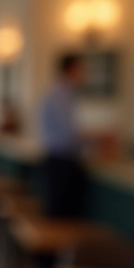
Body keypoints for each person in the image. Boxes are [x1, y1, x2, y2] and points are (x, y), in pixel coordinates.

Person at [39, 54, 87, 218]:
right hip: (62, 161)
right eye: (82, 69)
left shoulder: (60, 94)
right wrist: (98, 139)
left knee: (59, 213)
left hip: (58, 160)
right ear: (72, 69)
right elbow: (69, 134)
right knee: (61, 217)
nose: (84, 74)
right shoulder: (61, 95)